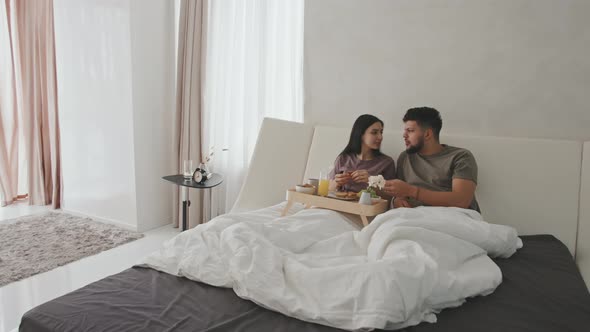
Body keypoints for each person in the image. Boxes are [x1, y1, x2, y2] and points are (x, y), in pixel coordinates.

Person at [382, 107, 480, 212]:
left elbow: (461, 201)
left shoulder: (460, 157)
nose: (404, 135)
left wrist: (412, 191)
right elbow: (400, 192)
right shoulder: (405, 157)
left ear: (427, 134)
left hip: (453, 217)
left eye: (410, 131)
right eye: (405, 131)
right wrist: (397, 199)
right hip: (413, 217)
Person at [329, 114, 396, 193]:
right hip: (342, 203)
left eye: (381, 132)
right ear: (361, 134)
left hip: (369, 204)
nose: (380, 137)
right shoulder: (343, 159)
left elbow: (391, 197)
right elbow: (328, 190)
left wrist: (370, 180)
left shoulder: (386, 163)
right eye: (374, 132)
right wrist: (337, 183)